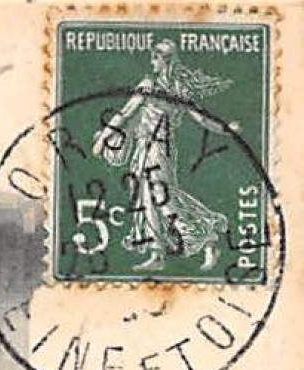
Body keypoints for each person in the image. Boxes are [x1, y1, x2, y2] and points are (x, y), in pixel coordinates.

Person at [90, 40, 234, 272]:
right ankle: (157, 254)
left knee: (162, 197)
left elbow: (202, 118)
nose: (152, 62)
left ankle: (206, 238)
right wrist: (103, 138)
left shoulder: (176, 88)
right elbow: (125, 113)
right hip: (143, 147)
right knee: (147, 199)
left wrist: (226, 129)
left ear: (165, 60)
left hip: (160, 149)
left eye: (155, 58)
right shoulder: (151, 84)